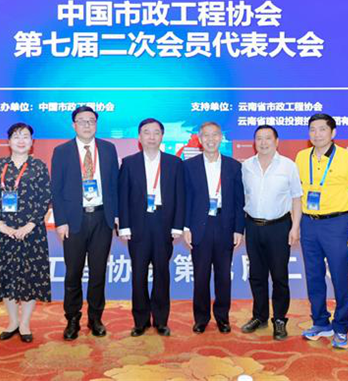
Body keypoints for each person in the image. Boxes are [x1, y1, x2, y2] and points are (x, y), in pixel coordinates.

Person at [294, 113, 348, 350]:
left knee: (339, 277)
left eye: (322, 129)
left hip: (337, 224)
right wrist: (296, 224)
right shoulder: (301, 157)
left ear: (333, 133)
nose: (317, 134)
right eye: (312, 129)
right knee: (313, 276)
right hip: (309, 224)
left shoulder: (346, 157)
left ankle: (341, 327)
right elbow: (298, 194)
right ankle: (320, 322)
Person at [50, 105, 119, 340]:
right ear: (74, 125)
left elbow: (114, 185)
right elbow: (56, 189)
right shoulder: (62, 151)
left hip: (102, 218)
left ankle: (95, 318)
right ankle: (72, 319)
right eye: (82, 121)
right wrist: (61, 221)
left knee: (98, 272)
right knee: (73, 273)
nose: (87, 125)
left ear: (96, 124)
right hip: (74, 221)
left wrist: (116, 215)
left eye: (91, 121)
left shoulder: (108, 149)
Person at [0, 123, 51, 343]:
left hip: (32, 233)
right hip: (3, 232)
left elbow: (45, 198)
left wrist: (29, 225)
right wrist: (1, 225)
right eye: (16, 136)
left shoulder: (39, 166)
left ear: (32, 142)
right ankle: (12, 321)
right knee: (7, 277)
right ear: (8, 141)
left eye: (25, 136)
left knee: (30, 278)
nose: (21, 140)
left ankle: (25, 324)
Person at [118, 118, 184, 337]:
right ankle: (140, 321)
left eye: (156, 132)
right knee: (138, 274)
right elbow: (123, 196)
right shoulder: (129, 163)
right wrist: (124, 226)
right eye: (147, 132)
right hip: (138, 224)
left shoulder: (174, 163)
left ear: (162, 136)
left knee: (162, 273)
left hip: (164, 223)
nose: (152, 137)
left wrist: (177, 225)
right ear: (139, 137)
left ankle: (161, 320)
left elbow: (180, 196)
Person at [240, 124, 303, 340]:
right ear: (254, 142)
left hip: (279, 227)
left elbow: (296, 198)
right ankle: (259, 316)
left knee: (279, 276)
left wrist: (295, 227)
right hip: (253, 226)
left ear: (277, 142)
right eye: (259, 138)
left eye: (268, 138)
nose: (263, 142)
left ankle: (279, 319)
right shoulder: (246, 166)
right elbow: (242, 197)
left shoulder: (288, 166)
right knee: (256, 275)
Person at [183, 122, 245, 334]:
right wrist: (186, 227)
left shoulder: (233, 166)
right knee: (200, 276)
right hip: (199, 227)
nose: (210, 139)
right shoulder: (189, 166)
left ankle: (222, 317)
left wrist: (238, 229)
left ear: (221, 138)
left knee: (223, 276)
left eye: (215, 135)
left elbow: (239, 201)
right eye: (206, 136)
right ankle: (201, 318)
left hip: (225, 225)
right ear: (200, 139)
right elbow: (186, 199)